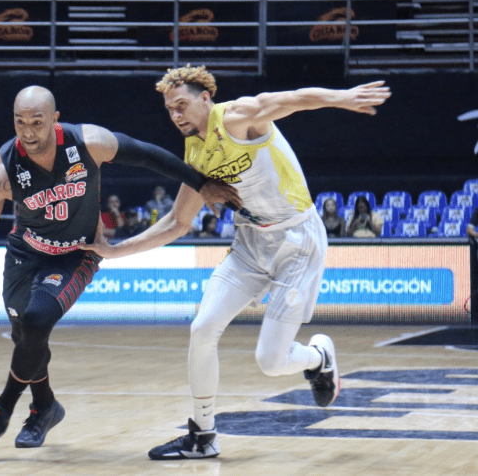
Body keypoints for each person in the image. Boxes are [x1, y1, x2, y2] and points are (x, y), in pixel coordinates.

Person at [0, 86, 240, 452]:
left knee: (37, 321)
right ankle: (44, 407)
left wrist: (201, 184)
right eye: (20, 122)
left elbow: (146, 155)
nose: (28, 132)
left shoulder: (88, 143)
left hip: (78, 253)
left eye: (37, 122)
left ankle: (0, 410)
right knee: (26, 339)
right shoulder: (0, 174)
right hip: (25, 255)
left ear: (55, 120)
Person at [81, 65, 391, 459]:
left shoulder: (235, 117)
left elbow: (292, 99)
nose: (175, 115)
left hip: (297, 242)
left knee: (271, 362)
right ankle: (203, 435)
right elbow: (178, 222)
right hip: (249, 243)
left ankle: (319, 357)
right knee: (202, 328)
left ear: (205, 98)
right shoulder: (196, 152)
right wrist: (114, 251)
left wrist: (342, 97)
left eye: (181, 105)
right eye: (169, 109)